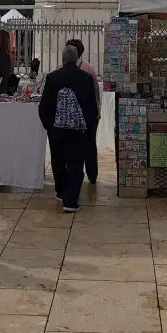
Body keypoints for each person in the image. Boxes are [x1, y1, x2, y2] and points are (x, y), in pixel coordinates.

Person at [39, 44, 98, 212]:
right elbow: (91, 106)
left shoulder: (52, 77)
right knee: (75, 163)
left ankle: (60, 192)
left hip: (57, 129)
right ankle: (70, 201)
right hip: (78, 130)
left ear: (63, 59)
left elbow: (45, 105)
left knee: (58, 160)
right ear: (77, 58)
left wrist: (48, 125)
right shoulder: (85, 78)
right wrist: (89, 128)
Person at [67, 38, 100, 185]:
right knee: (90, 144)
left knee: (72, 145)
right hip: (89, 114)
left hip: (71, 116)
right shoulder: (89, 69)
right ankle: (92, 174)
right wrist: (97, 111)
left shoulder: (61, 68)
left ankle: (75, 173)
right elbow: (96, 92)